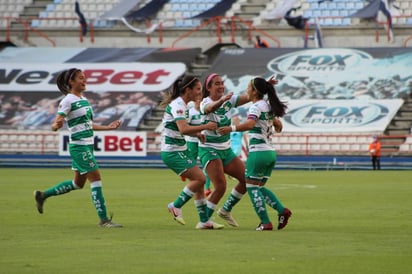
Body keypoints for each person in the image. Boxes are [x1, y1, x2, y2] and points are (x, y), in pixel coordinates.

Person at [33, 68, 122, 228]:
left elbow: (87, 125)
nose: (84, 80)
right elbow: (55, 124)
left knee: (78, 184)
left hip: (87, 145)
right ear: (71, 82)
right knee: (96, 178)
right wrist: (56, 125)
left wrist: (108, 128)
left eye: (84, 78)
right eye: (81, 78)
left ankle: (43, 195)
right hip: (80, 147)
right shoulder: (67, 100)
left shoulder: (83, 99)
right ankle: (103, 220)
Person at [198, 73, 276, 227]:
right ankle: (204, 221)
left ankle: (225, 210)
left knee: (246, 180)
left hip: (226, 150)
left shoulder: (229, 100)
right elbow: (209, 108)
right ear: (208, 88)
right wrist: (222, 100)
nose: (221, 86)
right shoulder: (204, 103)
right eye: (217, 84)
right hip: (209, 149)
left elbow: (251, 96)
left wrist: (264, 84)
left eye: (222, 83)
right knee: (220, 186)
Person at [217, 77, 292, 231]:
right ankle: (282, 211)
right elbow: (279, 126)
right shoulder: (268, 106)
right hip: (270, 152)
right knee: (258, 187)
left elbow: (250, 124)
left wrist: (231, 128)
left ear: (254, 91)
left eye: (248, 87)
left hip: (258, 152)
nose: (246, 90)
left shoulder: (255, 107)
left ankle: (265, 223)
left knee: (251, 188)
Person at [160, 75, 223, 229]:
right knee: (200, 178)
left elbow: (180, 130)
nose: (199, 92)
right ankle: (175, 205)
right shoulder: (178, 105)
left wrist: (196, 134)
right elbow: (183, 128)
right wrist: (205, 127)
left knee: (199, 185)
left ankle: (204, 221)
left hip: (181, 149)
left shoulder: (183, 105)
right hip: (172, 151)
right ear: (187, 90)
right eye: (197, 89)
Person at [185, 100, 212, 196]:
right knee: (191, 165)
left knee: (206, 165)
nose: (198, 102)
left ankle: (207, 188)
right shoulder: (190, 112)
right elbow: (185, 127)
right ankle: (191, 182)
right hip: (192, 141)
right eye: (197, 101)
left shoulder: (205, 112)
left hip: (203, 141)